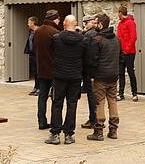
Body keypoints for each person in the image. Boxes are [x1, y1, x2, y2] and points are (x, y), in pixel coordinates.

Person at [45, 15, 87, 145]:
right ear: (75, 25)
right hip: (75, 77)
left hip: (59, 76)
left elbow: (51, 53)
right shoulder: (82, 40)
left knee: (57, 104)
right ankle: (69, 134)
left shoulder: (56, 39)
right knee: (72, 105)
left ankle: (56, 133)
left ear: (64, 24)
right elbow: (85, 57)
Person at [86, 14, 121, 141]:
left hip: (100, 76)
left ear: (101, 24)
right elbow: (121, 58)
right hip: (113, 75)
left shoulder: (97, 40)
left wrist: (91, 74)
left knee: (99, 102)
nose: (95, 25)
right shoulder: (116, 39)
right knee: (112, 101)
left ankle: (99, 130)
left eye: (96, 23)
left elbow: (92, 60)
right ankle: (113, 130)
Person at [33, 10, 59, 130]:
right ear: (54, 19)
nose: (59, 21)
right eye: (58, 19)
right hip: (53, 70)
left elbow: (34, 49)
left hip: (41, 69)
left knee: (42, 97)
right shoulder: (55, 33)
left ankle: (41, 121)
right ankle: (55, 122)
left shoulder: (37, 32)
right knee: (55, 97)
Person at [80, 14, 99, 129]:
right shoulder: (99, 34)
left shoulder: (88, 35)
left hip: (90, 71)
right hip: (99, 70)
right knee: (98, 97)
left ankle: (93, 119)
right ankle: (98, 118)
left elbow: (85, 52)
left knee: (91, 96)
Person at [116, 7, 138, 102]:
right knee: (120, 73)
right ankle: (121, 94)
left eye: (118, 13)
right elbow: (118, 38)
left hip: (129, 53)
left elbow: (133, 37)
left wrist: (126, 49)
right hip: (121, 53)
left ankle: (134, 93)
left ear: (121, 13)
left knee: (130, 72)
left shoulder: (130, 22)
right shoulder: (120, 24)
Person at [24, 16, 39, 96]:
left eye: (29, 22)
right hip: (32, 54)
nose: (28, 24)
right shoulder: (31, 31)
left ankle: (39, 88)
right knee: (34, 71)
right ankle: (36, 87)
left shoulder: (38, 31)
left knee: (38, 72)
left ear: (33, 23)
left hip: (38, 55)